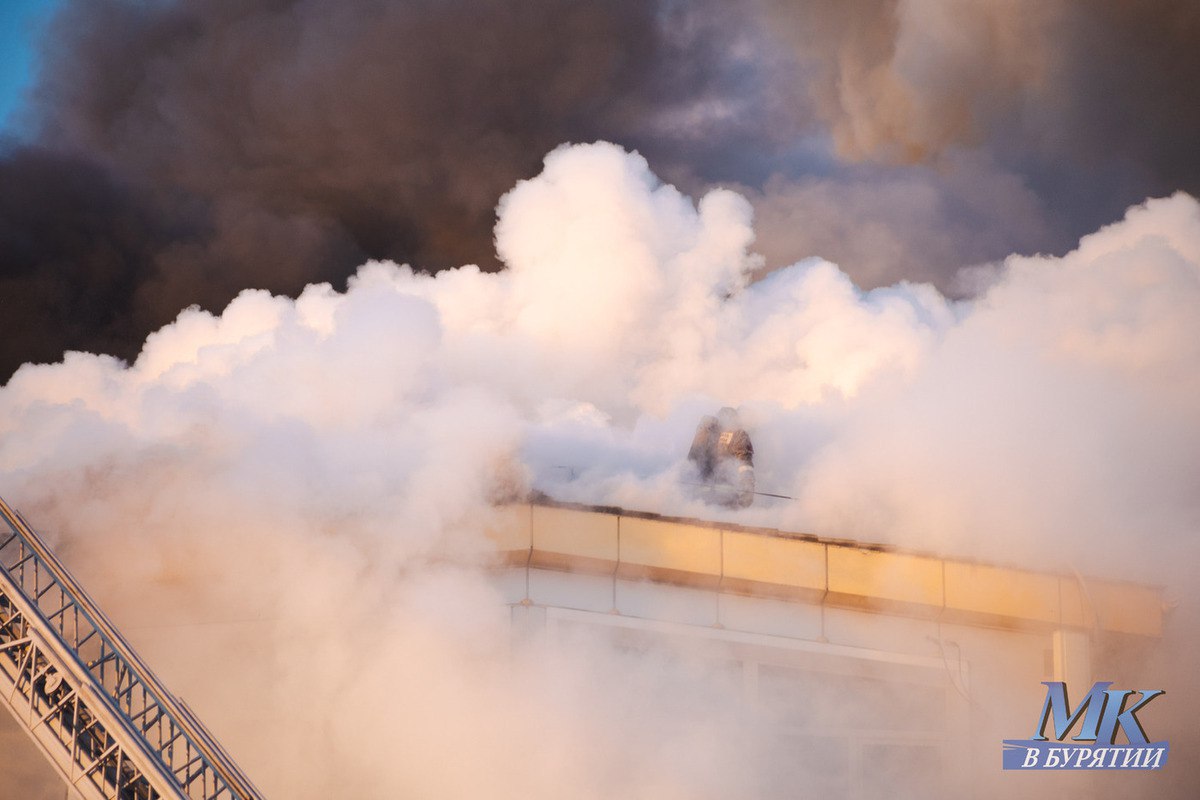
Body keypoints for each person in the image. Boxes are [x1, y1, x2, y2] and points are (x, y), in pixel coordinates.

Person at [687, 407, 755, 507]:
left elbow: (691, 463)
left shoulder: (704, 432)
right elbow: (745, 466)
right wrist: (747, 491)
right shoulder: (739, 435)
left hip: (698, 498)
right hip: (725, 499)